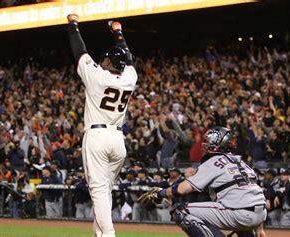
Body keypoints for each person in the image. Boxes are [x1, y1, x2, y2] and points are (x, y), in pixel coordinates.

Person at [67, 13, 137, 237]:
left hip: (97, 137)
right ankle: (100, 234)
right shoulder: (129, 78)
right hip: (118, 140)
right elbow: (129, 58)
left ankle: (108, 234)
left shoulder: (97, 76)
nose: (101, 61)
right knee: (104, 190)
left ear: (108, 62)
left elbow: (80, 51)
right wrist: (118, 33)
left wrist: (73, 26)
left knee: (98, 190)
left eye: (104, 59)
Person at [138, 127, 267, 237]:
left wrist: (161, 193)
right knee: (240, 220)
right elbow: (252, 193)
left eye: (207, 142)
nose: (204, 145)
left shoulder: (214, 161)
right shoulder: (242, 163)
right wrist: (259, 228)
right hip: (259, 214)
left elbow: (183, 189)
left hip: (238, 212)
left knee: (180, 211)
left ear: (217, 145)